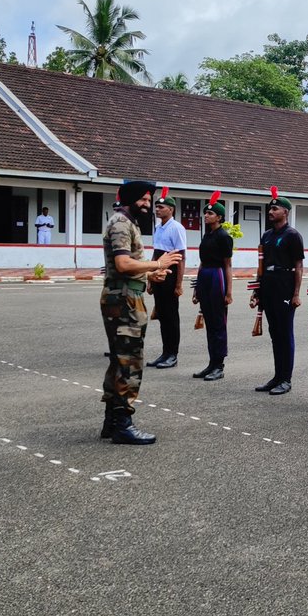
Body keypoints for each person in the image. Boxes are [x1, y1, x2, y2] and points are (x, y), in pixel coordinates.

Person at [98, 181, 182, 445]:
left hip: (125, 295)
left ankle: (112, 422)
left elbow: (126, 267)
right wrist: (158, 263)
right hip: (124, 300)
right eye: (143, 199)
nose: (148, 204)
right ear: (130, 199)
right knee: (129, 363)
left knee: (119, 361)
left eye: (149, 200)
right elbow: (123, 263)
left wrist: (149, 274)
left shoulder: (129, 223)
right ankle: (123, 424)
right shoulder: (121, 223)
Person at [251, 187, 304, 396]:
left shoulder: (293, 235)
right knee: (274, 333)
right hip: (268, 284)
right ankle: (277, 376)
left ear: (285, 212)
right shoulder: (266, 235)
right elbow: (261, 265)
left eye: (275, 209)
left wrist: (296, 293)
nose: (271, 212)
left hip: (285, 284)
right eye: (270, 209)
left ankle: (286, 379)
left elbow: (298, 266)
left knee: (284, 333)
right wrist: (257, 290)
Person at [192, 192, 233, 381]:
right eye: (205, 213)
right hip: (205, 276)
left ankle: (219, 365)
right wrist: (197, 289)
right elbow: (202, 262)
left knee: (218, 323)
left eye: (210, 213)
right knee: (209, 322)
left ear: (219, 217)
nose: (206, 216)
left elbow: (227, 265)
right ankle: (211, 363)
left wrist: (229, 292)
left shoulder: (224, 236)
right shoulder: (206, 235)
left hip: (217, 276)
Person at [146, 187, 186, 369]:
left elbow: (181, 257)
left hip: (171, 273)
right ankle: (165, 352)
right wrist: (150, 278)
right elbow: (156, 253)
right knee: (162, 314)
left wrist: (178, 284)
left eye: (161, 207)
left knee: (171, 316)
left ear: (171, 209)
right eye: (156, 206)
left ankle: (173, 354)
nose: (157, 209)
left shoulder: (177, 228)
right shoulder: (158, 227)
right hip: (158, 271)